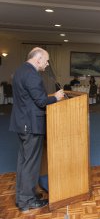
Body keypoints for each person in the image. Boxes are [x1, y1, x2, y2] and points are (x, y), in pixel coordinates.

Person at [9, 47, 64, 212]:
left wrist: (50, 97)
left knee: (23, 162)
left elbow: (31, 98)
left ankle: (23, 196)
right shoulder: (32, 74)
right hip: (31, 125)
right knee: (31, 164)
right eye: (46, 61)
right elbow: (40, 101)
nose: (47, 64)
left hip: (22, 123)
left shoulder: (21, 70)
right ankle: (28, 201)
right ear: (38, 59)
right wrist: (56, 97)